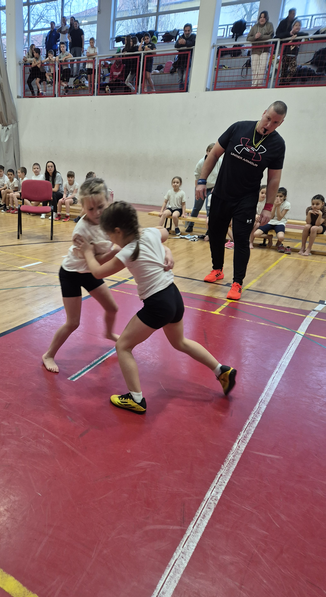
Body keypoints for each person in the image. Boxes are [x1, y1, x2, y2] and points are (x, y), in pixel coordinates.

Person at [76, 201, 236, 413]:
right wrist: (166, 250)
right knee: (180, 342)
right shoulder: (149, 233)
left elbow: (97, 272)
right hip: (173, 296)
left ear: (118, 231)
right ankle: (221, 370)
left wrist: (88, 252)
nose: (110, 240)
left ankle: (135, 398)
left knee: (123, 346)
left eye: (110, 235)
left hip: (158, 303)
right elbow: (164, 232)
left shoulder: (128, 252)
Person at [197, 101, 287, 301]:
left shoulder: (277, 144)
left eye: (275, 123)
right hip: (221, 193)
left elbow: (274, 179)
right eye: (268, 119)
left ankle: (237, 282)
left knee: (241, 239)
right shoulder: (239, 127)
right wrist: (202, 181)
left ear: (280, 123)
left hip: (246, 199)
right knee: (215, 233)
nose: (269, 125)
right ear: (263, 113)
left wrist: (268, 207)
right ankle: (217, 269)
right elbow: (214, 154)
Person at [42, 178, 119, 374]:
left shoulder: (110, 218)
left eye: (101, 207)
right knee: (73, 322)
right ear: (83, 207)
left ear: (108, 200)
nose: (97, 212)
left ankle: (109, 333)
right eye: (91, 209)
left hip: (90, 272)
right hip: (72, 274)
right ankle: (48, 354)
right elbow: (97, 261)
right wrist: (116, 252)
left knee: (112, 307)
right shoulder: (81, 231)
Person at [185, 144, 222, 234]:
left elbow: (221, 176)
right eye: (210, 151)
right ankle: (190, 225)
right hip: (202, 187)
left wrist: (216, 188)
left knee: (209, 208)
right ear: (207, 152)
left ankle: (209, 230)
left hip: (213, 188)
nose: (212, 153)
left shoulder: (220, 161)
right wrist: (197, 188)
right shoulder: (201, 162)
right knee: (196, 207)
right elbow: (197, 176)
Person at [247, 11, 274, 88]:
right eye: (261, 17)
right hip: (255, 50)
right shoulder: (254, 27)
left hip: (265, 50)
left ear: (266, 18)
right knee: (254, 68)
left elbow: (271, 36)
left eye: (264, 17)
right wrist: (255, 37)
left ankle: (260, 85)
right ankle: (254, 85)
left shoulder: (269, 25)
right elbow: (248, 38)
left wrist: (261, 36)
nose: (262, 19)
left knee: (262, 68)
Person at [278, 20, 308, 85]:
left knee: (293, 70)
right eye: (296, 25)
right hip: (286, 55)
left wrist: (296, 36)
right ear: (293, 26)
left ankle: (286, 81)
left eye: (299, 25)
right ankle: (281, 83)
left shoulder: (300, 35)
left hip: (293, 56)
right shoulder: (287, 34)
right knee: (283, 71)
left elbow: (306, 34)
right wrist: (291, 38)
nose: (298, 27)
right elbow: (280, 36)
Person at [174, 24, 196, 91]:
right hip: (180, 60)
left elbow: (193, 43)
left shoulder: (193, 36)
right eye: (185, 31)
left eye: (188, 31)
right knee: (180, 78)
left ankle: (186, 91)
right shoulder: (181, 37)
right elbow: (176, 45)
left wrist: (185, 42)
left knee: (185, 78)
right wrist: (180, 43)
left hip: (188, 60)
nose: (187, 32)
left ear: (191, 30)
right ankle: (181, 91)